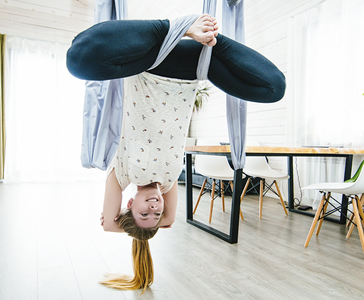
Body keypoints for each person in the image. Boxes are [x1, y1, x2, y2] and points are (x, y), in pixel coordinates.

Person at [66, 14, 285, 293]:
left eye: (144, 213)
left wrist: (123, 225)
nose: (155, 209)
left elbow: (109, 225)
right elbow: (169, 221)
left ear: (129, 203)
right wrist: (142, 226)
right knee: (273, 89)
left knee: (78, 60)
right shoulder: (168, 184)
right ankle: (209, 38)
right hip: (193, 68)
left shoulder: (121, 174)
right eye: (155, 215)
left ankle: (173, 27)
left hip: (149, 62)